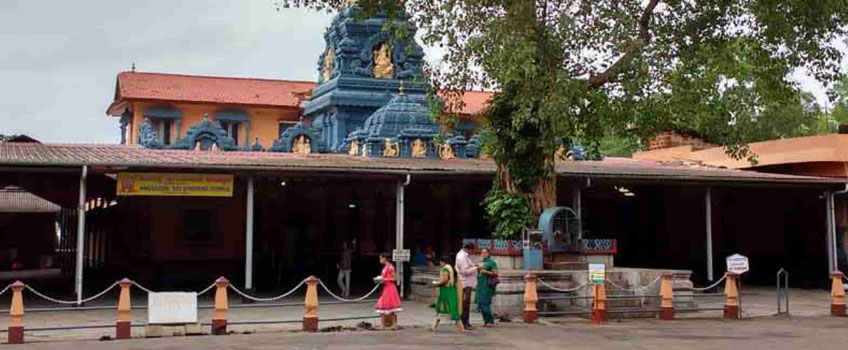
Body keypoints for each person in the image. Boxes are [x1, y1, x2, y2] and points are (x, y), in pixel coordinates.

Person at [430, 255, 464, 332]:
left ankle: (461, 328)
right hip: (451, 290)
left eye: (440, 262)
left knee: (447, 309)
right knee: (451, 309)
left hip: (446, 291)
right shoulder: (452, 268)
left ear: (443, 262)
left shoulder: (445, 269)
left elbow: (445, 280)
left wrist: (436, 283)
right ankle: (434, 326)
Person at [374, 252, 402, 329]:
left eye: (380, 258)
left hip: (390, 288)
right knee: (384, 305)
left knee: (389, 306)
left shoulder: (390, 267)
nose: (380, 260)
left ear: (384, 258)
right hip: (386, 287)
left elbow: (395, 278)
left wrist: (384, 279)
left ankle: (393, 324)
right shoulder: (385, 267)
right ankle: (384, 324)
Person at [455, 242, 477, 330]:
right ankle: (465, 322)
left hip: (466, 283)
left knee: (464, 304)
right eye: (472, 250)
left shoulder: (463, 255)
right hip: (465, 283)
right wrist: (476, 268)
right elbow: (465, 271)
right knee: (465, 304)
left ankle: (464, 321)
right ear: (469, 249)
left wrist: (474, 265)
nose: (472, 252)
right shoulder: (463, 257)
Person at [476, 248, 499, 327]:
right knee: (481, 304)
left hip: (487, 286)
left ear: (489, 253)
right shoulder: (482, 262)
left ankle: (490, 321)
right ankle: (485, 321)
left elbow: (496, 273)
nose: (483, 254)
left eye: (485, 252)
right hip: (481, 286)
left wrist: (486, 272)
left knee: (486, 303)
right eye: (482, 252)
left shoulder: (491, 262)